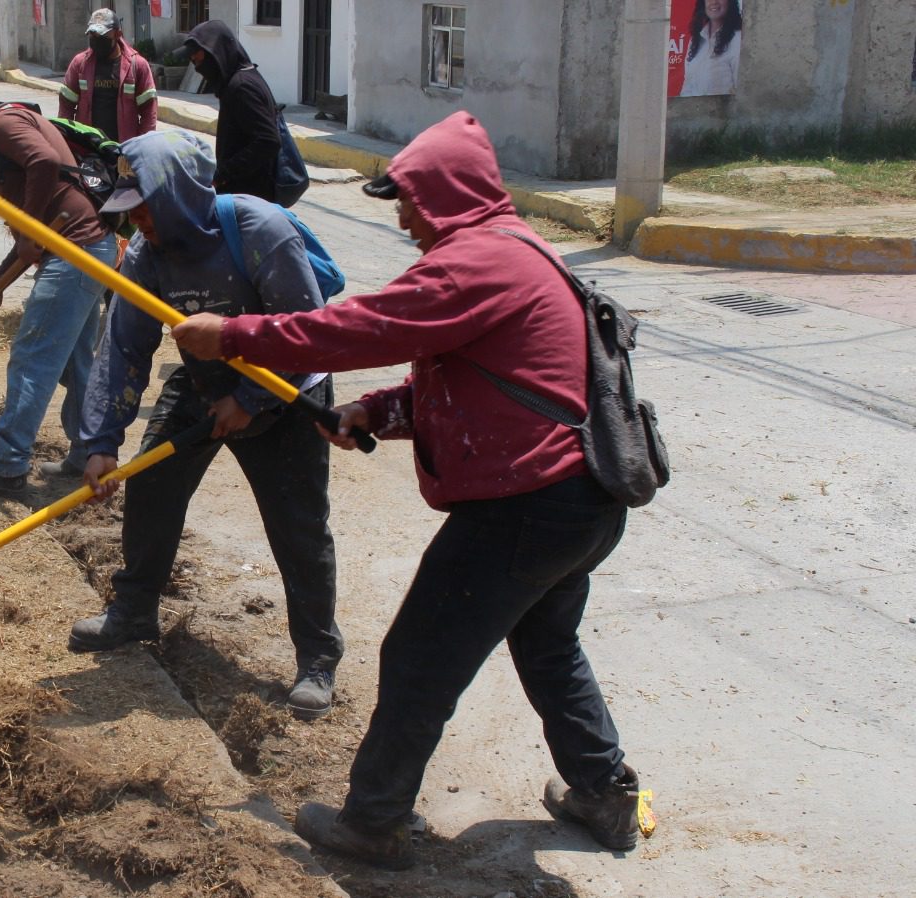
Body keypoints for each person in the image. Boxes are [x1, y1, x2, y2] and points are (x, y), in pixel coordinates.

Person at [171, 111, 641, 869]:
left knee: (421, 655)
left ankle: (373, 821)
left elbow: (360, 327)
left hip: (527, 506)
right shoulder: (520, 252)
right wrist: (377, 411)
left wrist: (233, 336)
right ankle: (605, 792)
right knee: (548, 642)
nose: (404, 222)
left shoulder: (477, 262)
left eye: (410, 204)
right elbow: (493, 381)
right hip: (582, 500)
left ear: (447, 196)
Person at [66, 130, 344, 720]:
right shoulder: (147, 254)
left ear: (176, 194)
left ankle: (318, 657)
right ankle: (133, 611)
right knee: (152, 487)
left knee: (299, 528)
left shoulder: (260, 230)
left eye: (142, 206)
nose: (135, 220)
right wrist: (100, 442)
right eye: (128, 209)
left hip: (287, 390)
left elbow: (308, 332)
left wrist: (250, 397)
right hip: (203, 383)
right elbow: (123, 348)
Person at [0, 84, 117, 497]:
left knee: (32, 359)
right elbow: (26, 240)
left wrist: (31, 231)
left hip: (75, 250)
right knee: (74, 364)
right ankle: (86, 453)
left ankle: (4, 467)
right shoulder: (7, 144)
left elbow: (45, 161)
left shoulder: (3, 121)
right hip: (82, 250)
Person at [182, 20, 281, 203]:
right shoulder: (241, 79)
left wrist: (222, 175)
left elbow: (268, 140)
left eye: (199, 59)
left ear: (216, 54)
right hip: (244, 194)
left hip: (250, 197)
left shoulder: (241, 87)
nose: (197, 68)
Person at [58, 9, 158, 143]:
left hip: (124, 149)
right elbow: (66, 107)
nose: (96, 40)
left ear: (118, 34)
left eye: (102, 36)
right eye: (93, 35)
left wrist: (142, 146)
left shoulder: (138, 65)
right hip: (88, 147)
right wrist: (68, 140)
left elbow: (148, 112)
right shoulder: (79, 64)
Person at [679, 0, 742, 97]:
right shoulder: (696, 40)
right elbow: (687, 87)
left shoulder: (738, 39)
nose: (714, 2)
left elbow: (742, 90)